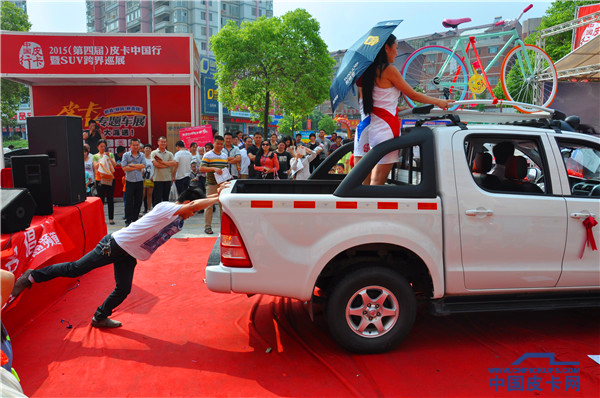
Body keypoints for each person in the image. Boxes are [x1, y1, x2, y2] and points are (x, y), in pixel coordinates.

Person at [10, 186, 226, 329]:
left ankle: (99, 317)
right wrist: (218, 197)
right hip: (113, 245)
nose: (191, 215)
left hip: (128, 252)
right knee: (75, 269)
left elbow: (190, 207)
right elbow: (191, 206)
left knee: (123, 288)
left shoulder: (173, 214)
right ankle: (31, 277)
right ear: (187, 202)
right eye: (192, 210)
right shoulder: (169, 208)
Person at [361, 34, 452, 185]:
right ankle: (373, 208)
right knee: (378, 182)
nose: (396, 53)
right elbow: (412, 94)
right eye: (395, 48)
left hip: (377, 129)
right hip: (387, 129)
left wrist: (401, 108)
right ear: (386, 48)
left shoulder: (370, 71)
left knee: (372, 180)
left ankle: (367, 207)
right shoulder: (389, 70)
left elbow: (382, 103)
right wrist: (439, 101)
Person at [200, 135, 228, 235]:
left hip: (222, 184)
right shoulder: (208, 155)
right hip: (211, 184)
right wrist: (213, 169)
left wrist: (228, 177)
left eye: (221, 144)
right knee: (209, 205)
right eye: (217, 143)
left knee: (223, 206)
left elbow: (225, 169)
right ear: (213, 143)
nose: (219, 146)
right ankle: (207, 227)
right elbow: (201, 168)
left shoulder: (224, 156)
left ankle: (223, 227)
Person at [121, 138, 147, 226]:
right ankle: (128, 221)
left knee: (138, 201)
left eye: (137, 145)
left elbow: (143, 165)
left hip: (139, 181)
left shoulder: (142, 155)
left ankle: (135, 220)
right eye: (134, 145)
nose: (135, 147)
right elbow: (124, 167)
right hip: (129, 181)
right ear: (130, 146)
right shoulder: (126, 155)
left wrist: (131, 165)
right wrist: (137, 166)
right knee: (128, 202)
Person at [92, 139, 117, 225]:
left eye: (104, 146)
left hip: (110, 179)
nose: (102, 148)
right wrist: (102, 159)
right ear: (97, 147)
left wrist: (108, 157)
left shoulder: (110, 154)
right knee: (101, 199)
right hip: (100, 179)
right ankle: (101, 218)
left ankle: (111, 218)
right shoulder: (95, 156)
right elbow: (95, 166)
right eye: (101, 146)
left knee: (110, 199)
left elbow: (114, 165)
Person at [151, 137, 177, 206]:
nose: (163, 143)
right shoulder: (154, 153)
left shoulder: (169, 154)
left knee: (166, 199)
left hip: (167, 179)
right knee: (157, 199)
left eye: (164, 142)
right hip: (157, 179)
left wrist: (162, 162)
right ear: (158, 142)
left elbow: (174, 163)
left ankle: (165, 214)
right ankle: (156, 214)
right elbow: (156, 164)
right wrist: (167, 164)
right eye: (161, 142)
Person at [142, 144, 154, 214]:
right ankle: (140, 209)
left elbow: (154, 168)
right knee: (142, 195)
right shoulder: (141, 158)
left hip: (150, 179)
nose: (148, 149)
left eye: (149, 148)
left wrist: (153, 176)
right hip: (142, 179)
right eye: (146, 148)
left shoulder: (152, 158)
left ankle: (149, 209)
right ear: (144, 149)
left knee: (149, 194)